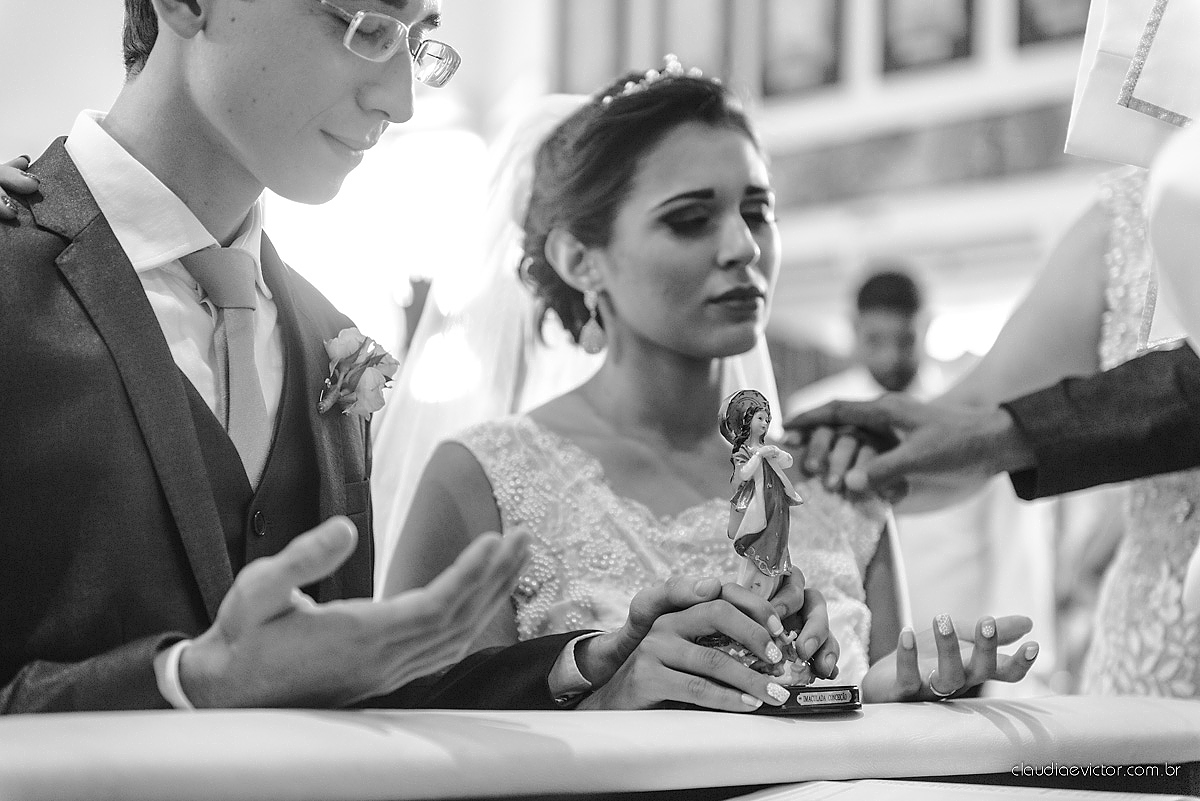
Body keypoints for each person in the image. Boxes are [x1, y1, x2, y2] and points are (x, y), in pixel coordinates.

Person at [0, 1, 821, 715]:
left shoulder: (327, 335)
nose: (400, 101)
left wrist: (584, 665)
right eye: (363, 27)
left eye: (417, 41)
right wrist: (183, 682)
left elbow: (350, 701)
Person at [379, 59, 1040, 705]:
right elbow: (427, 742)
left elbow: (866, 717)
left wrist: (896, 695)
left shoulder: (833, 479)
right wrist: (609, 700)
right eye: (690, 219)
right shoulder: (484, 477)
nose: (744, 247)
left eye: (757, 211)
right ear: (581, 258)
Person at [786, 1, 1200, 696]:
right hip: (1156, 647)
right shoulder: (1124, 222)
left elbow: (1000, 456)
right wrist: (856, 461)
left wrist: (995, 437)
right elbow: (980, 412)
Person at [786, 269, 1056, 684]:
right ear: (854, 329)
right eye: (875, 340)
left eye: (904, 340)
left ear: (926, 327)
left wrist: (1027, 667)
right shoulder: (815, 415)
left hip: (963, 652)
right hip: (845, 657)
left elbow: (1013, 540)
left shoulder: (964, 418)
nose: (890, 358)